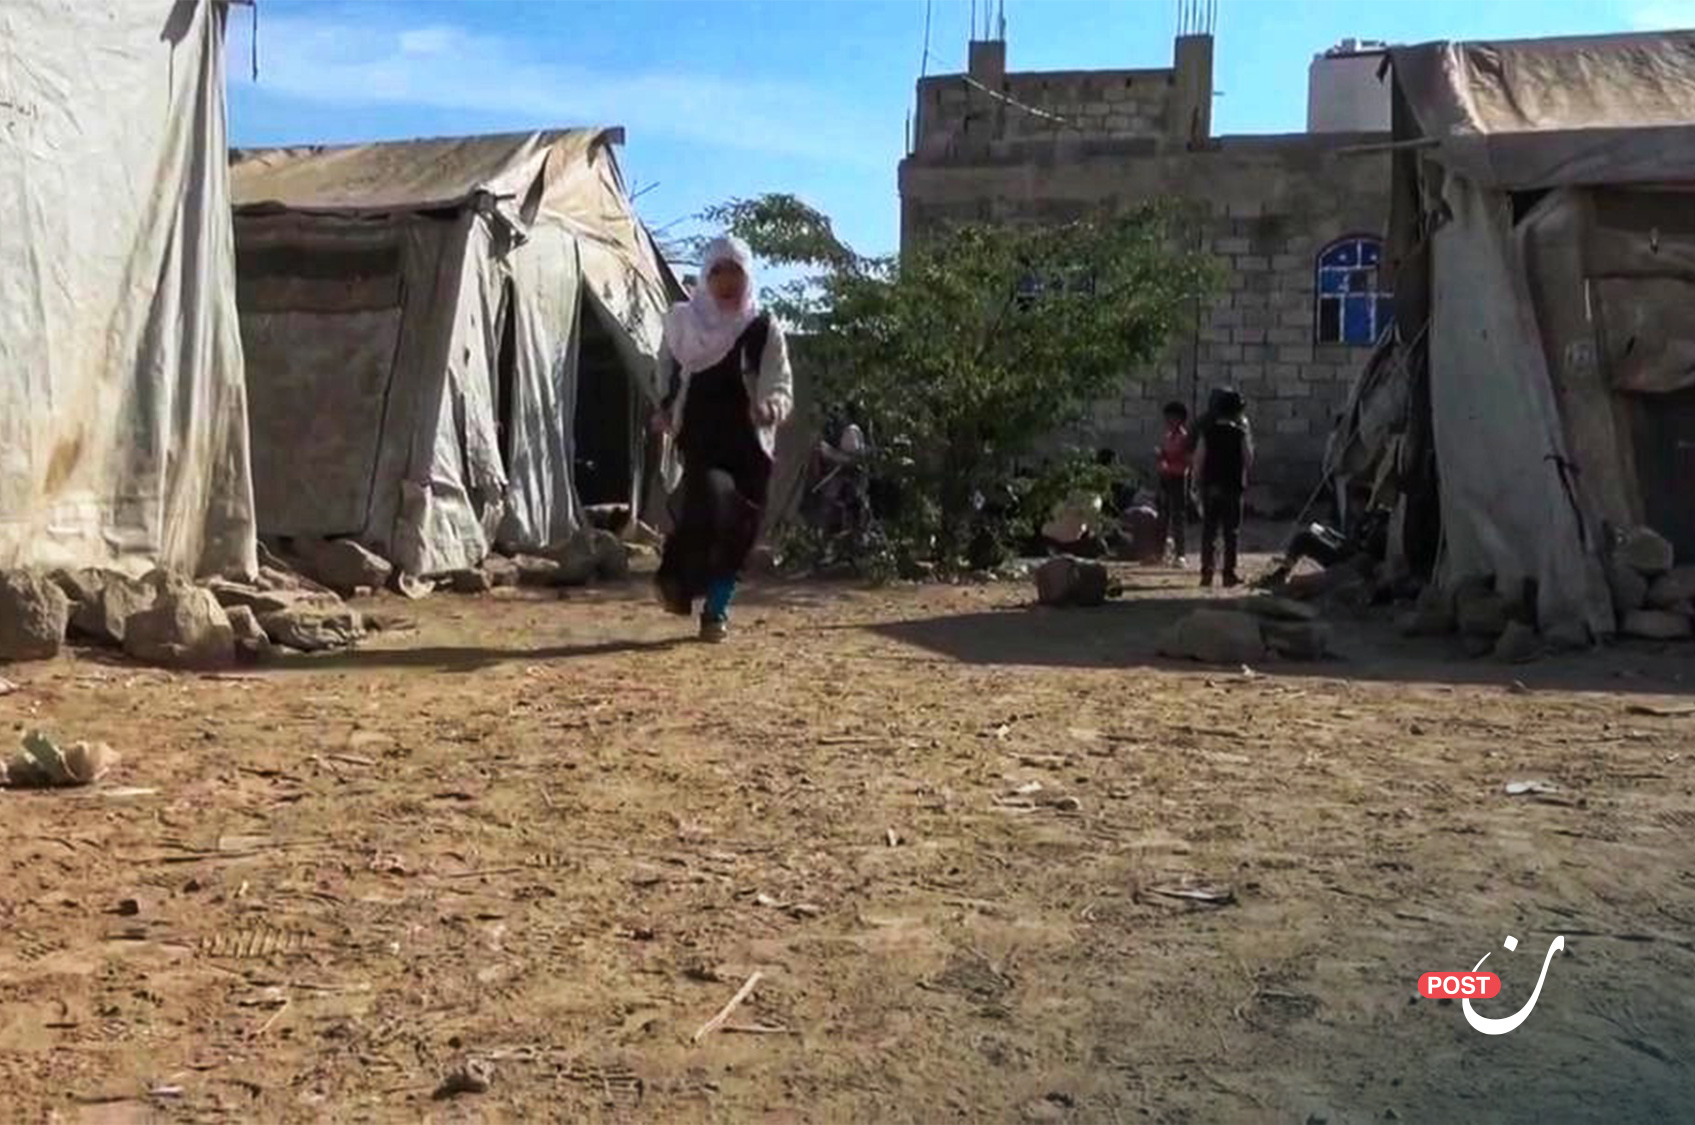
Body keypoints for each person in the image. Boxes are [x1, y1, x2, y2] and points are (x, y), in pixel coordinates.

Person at [652, 236, 793, 642]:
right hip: (701, 436)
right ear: (706, 277)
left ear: (746, 277)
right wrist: (664, 409)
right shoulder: (683, 323)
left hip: (750, 443)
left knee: (741, 528)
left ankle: (716, 612)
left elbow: (779, 383)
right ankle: (676, 579)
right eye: (718, 272)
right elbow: (667, 371)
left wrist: (770, 408)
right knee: (712, 503)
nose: (727, 282)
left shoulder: (763, 328)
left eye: (735, 272)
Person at [1193, 387, 1253, 588]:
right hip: (1233, 487)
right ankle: (1228, 573)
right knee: (1231, 531)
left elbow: (1199, 461)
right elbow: (1248, 460)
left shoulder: (1207, 433)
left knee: (1209, 530)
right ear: (1237, 411)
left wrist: (1196, 483)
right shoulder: (1240, 433)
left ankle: (1206, 572)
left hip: (1211, 487)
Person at [1260, 506, 1390, 588]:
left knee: (1304, 539)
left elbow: (1366, 552)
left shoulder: (1381, 525)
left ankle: (1283, 575)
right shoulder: (1366, 518)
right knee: (1307, 536)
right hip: (1347, 550)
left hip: (1351, 559)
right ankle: (1283, 571)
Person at [1154, 402, 1191, 566]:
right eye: (1167, 417)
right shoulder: (1168, 436)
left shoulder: (1184, 438)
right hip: (1166, 478)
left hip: (1178, 478)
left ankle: (1180, 554)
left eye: (1172, 417)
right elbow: (1164, 454)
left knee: (1178, 517)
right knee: (1163, 516)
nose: (1169, 420)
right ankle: (1160, 552)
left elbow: (1187, 459)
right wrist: (1161, 457)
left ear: (1181, 419)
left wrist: (1169, 462)